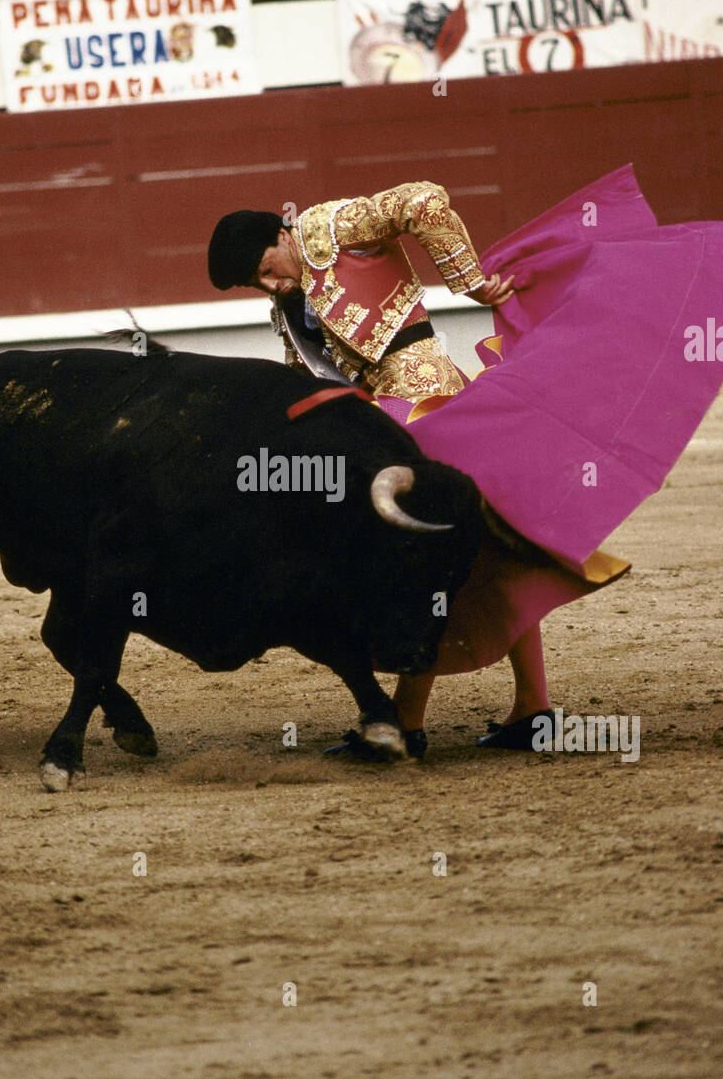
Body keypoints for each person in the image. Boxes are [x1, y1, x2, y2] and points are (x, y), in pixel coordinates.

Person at [206, 169, 723, 755]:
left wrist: (469, 282)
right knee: (493, 552)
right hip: (381, 416)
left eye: (268, 268)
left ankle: (407, 720)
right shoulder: (289, 305)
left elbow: (423, 200)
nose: (272, 284)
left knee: (422, 553)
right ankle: (532, 709)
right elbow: (311, 379)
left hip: (427, 402)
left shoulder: (332, 226)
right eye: (257, 283)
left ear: (281, 234)